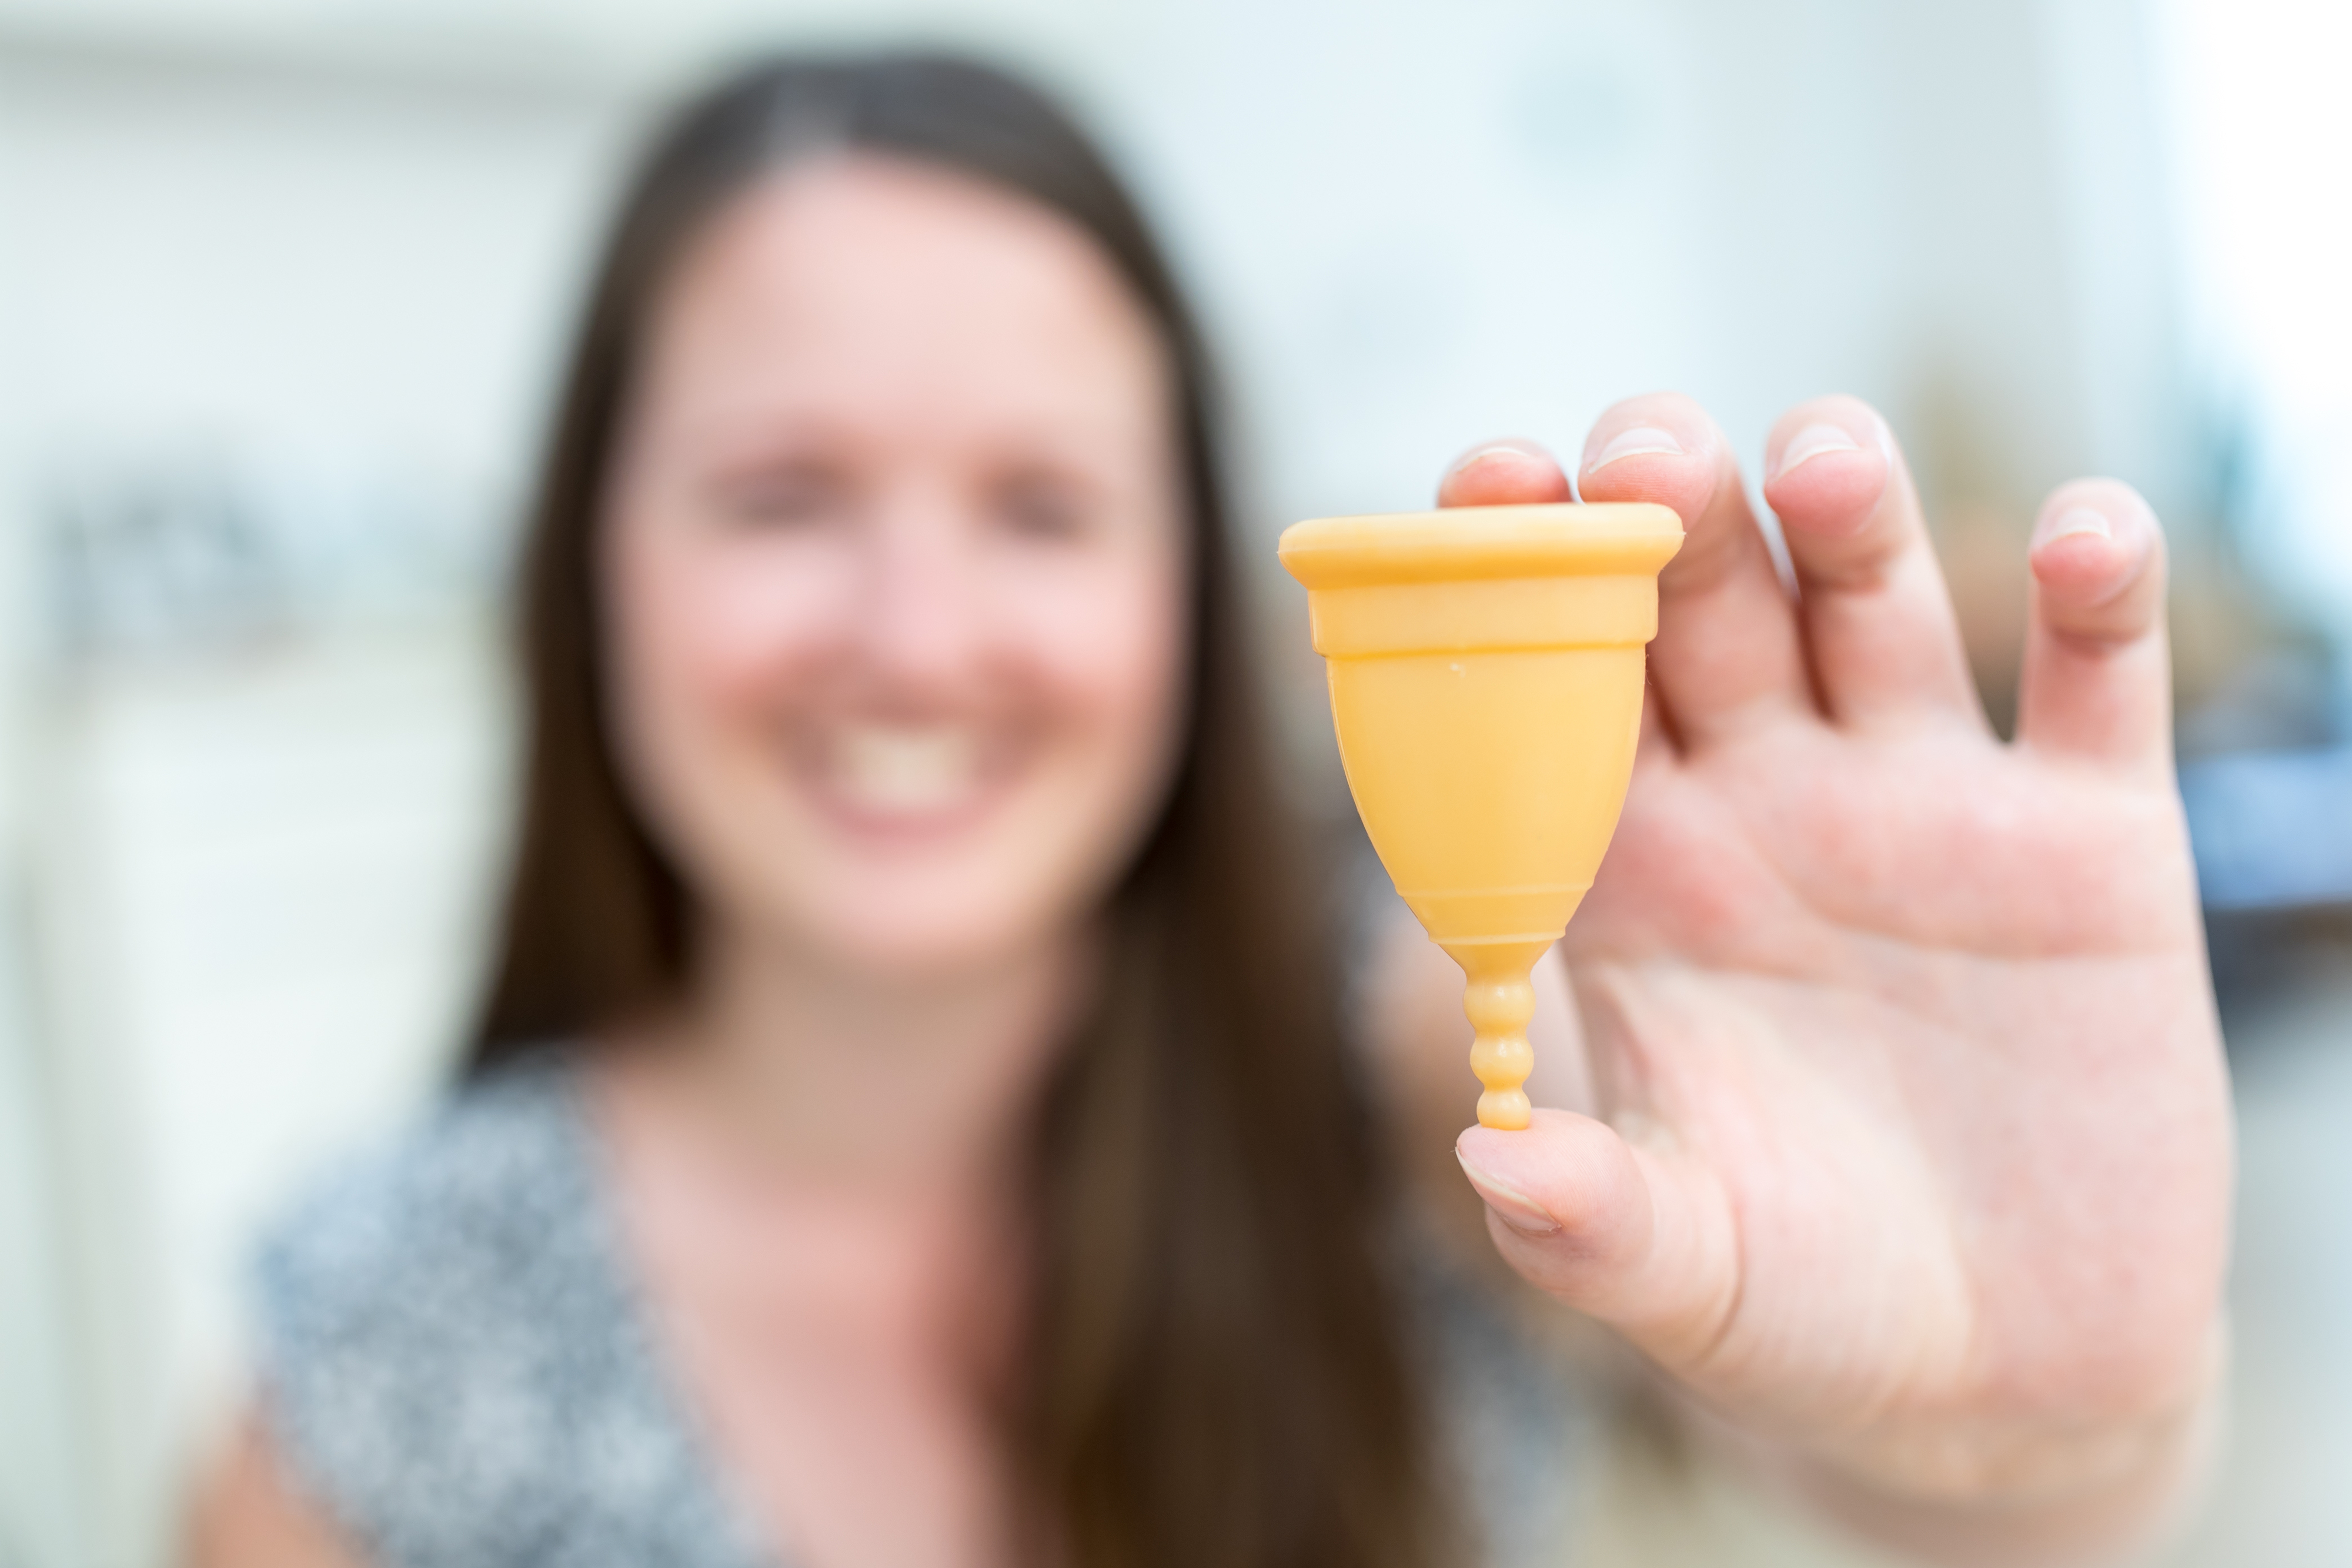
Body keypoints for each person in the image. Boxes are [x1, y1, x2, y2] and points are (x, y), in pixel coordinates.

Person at [186, 51, 2230, 1568]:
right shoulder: (379, 1345)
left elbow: (1993, 1488)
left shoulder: (1427, 1079)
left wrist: (2051, 1428)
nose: (917, 637)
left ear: (1187, 582)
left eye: (1043, 506)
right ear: (585, 563)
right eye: (780, 498)